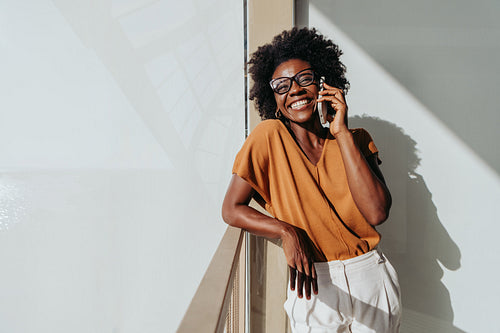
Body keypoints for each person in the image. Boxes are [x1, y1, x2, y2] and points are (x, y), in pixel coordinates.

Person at [222, 27, 401, 333]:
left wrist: (341, 132)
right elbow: (232, 208)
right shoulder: (269, 138)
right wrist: (286, 231)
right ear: (273, 97)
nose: (294, 90)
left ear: (323, 83)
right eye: (281, 85)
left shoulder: (355, 140)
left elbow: (376, 213)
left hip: (370, 275)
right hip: (313, 283)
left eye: (305, 79)